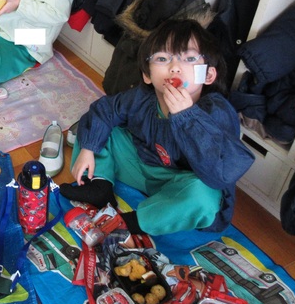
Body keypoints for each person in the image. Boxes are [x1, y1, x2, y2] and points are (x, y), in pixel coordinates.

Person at [60, 19, 255, 236]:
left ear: (208, 75)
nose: (175, 67)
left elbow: (223, 171)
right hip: (141, 167)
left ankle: (133, 222)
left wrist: (187, 117)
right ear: (147, 75)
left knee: (205, 197)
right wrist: (88, 149)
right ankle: (99, 185)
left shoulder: (217, 111)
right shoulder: (143, 97)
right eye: (162, 58)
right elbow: (105, 110)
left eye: (189, 58)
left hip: (180, 184)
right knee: (97, 126)